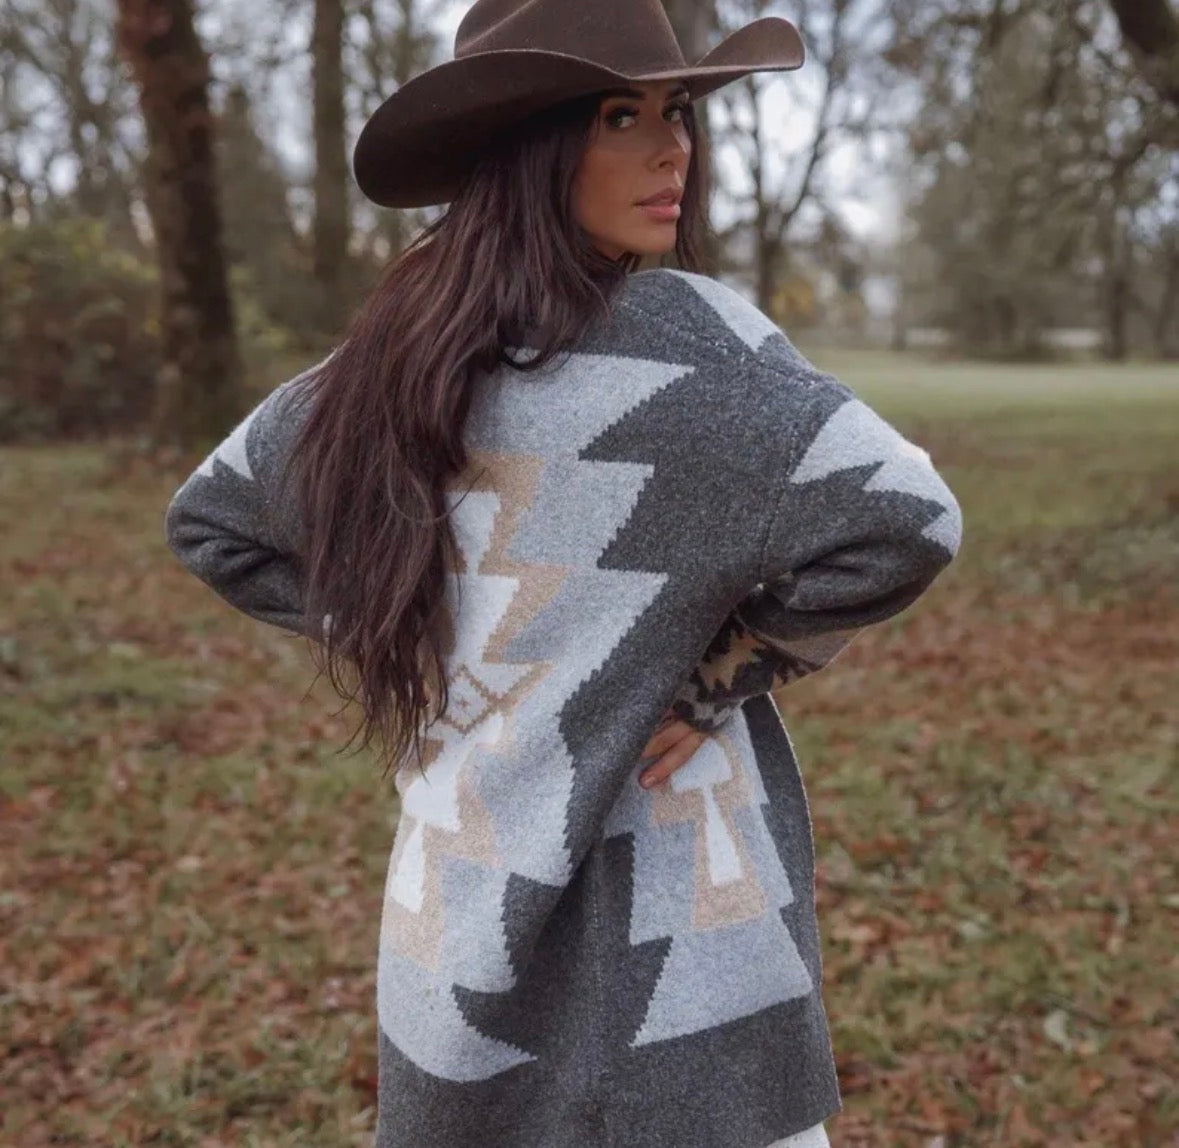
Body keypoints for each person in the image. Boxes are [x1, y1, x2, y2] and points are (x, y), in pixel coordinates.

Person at [163, 1, 964, 1145]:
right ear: (528, 148)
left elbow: (216, 518)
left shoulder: (391, 356)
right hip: (691, 949)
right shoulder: (701, 351)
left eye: (676, 113)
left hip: (459, 929)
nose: (670, 148)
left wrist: (406, 632)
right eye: (618, 117)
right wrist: (720, 674)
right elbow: (908, 515)